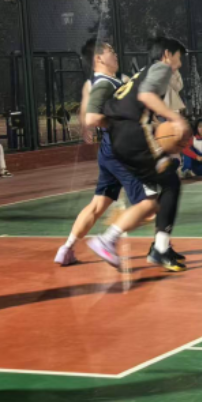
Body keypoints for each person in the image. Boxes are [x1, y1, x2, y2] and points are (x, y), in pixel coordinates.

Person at [88, 36, 191, 272]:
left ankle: (153, 245)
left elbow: (132, 106)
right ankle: (149, 247)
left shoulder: (140, 74)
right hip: (133, 137)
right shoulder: (161, 69)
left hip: (119, 138)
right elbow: (146, 96)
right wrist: (176, 119)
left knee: (152, 200)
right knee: (171, 182)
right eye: (178, 58)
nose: (179, 64)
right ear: (167, 55)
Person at [55, 38, 159, 267]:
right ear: (99, 58)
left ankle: (66, 249)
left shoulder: (109, 81)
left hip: (110, 151)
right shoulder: (104, 84)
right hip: (121, 151)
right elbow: (92, 118)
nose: (115, 53)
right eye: (110, 50)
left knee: (97, 205)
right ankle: (107, 241)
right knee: (149, 205)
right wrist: (118, 124)